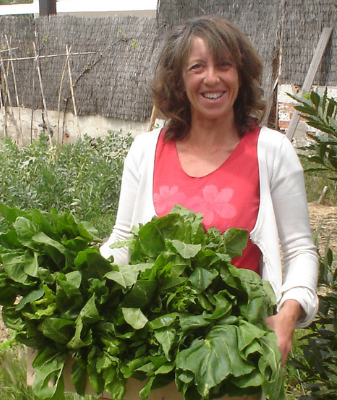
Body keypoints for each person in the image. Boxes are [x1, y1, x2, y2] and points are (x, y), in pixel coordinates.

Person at [99, 16, 319, 365]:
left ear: (240, 75)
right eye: (197, 67)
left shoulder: (272, 152)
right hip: (155, 348)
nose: (212, 78)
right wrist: (76, 283)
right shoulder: (145, 150)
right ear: (179, 79)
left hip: (238, 350)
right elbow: (122, 241)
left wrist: (288, 316)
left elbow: (300, 251)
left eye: (225, 65)